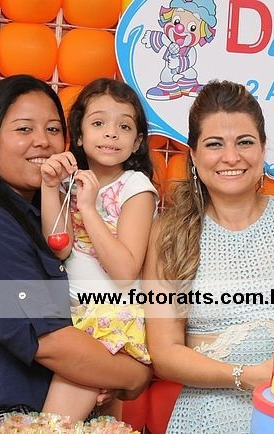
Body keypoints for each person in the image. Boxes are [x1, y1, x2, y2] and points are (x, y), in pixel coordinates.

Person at [0, 75, 151, 433]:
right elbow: (49, 342)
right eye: (24, 129)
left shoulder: (49, 209)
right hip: (9, 421)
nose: (42, 141)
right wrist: (135, 375)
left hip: (66, 410)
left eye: (53, 129)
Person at [142, 80, 274, 433]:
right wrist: (245, 376)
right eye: (214, 144)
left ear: (263, 148)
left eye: (245, 142)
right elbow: (165, 353)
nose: (231, 157)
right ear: (194, 156)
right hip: (206, 418)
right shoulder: (170, 234)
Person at [39, 78, 157, 422]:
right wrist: (50, 187)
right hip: (75, 316)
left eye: (124, 127)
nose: (111, 133)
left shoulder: (135, 187)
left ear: (137, 142)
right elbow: (59, 247)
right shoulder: (69, 183)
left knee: (53, 426)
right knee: (99, 426)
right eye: (98, 123)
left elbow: (124, 271)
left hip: (109, 319)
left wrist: (89, 209)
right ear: (78, 135)